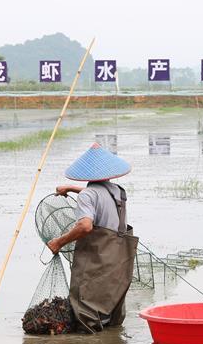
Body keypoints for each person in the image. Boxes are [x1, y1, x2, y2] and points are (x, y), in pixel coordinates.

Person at [47, 142, 138, 333]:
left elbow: (85, 226)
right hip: (120, 256)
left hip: (99, 256)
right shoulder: (118, 191)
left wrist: (58, 242)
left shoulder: (88, 196)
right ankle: (113, 341)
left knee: (86, 308)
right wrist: (71, 188)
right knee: (112, 299)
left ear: (86, 174)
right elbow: (98, 195)